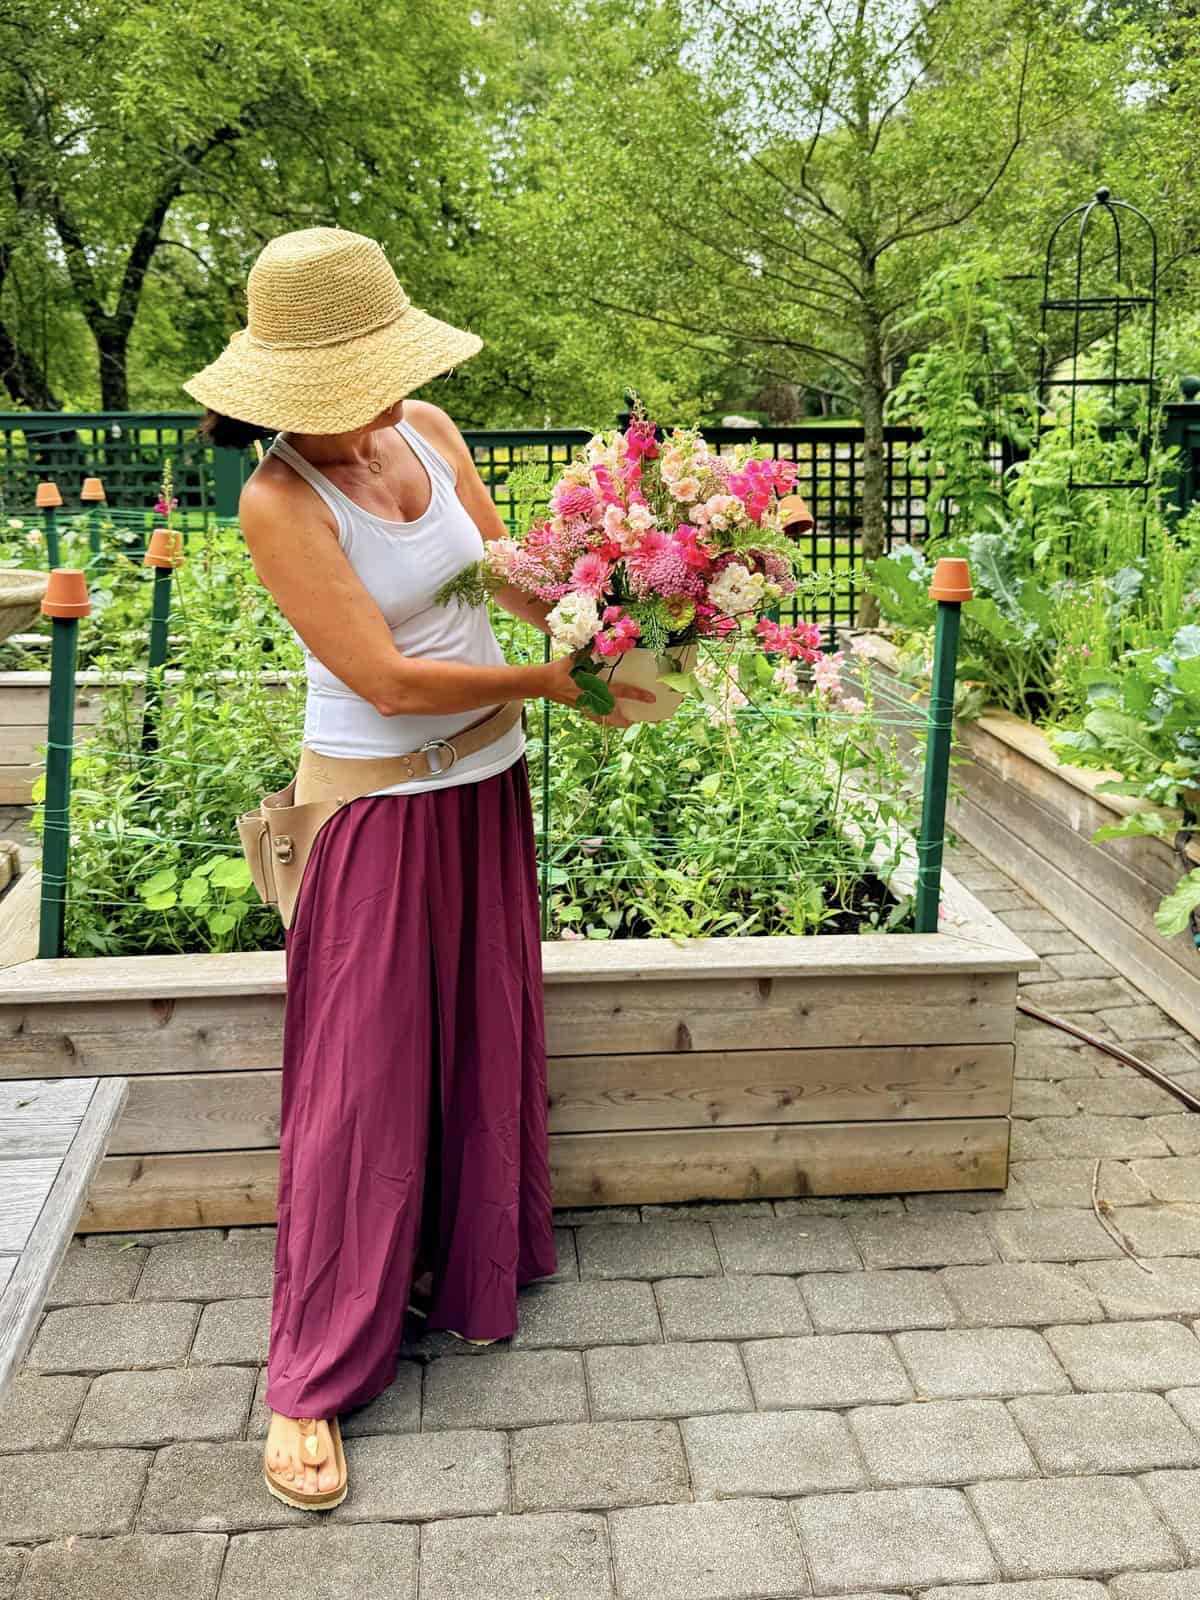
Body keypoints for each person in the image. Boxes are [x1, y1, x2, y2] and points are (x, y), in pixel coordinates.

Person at [182, 226, 653, 1512]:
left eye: (390, 370)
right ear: (292, 390)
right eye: (358, 382)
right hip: (379, 808)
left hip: (484, 789)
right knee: (358, 1082)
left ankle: (457, 1259)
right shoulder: (277, 499)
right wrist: (551, 681)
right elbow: (382, 678)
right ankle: (311, 1376)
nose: (385, 401)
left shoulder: (431, 429)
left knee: (477, 1033)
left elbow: (505, 571)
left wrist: (614, 616)